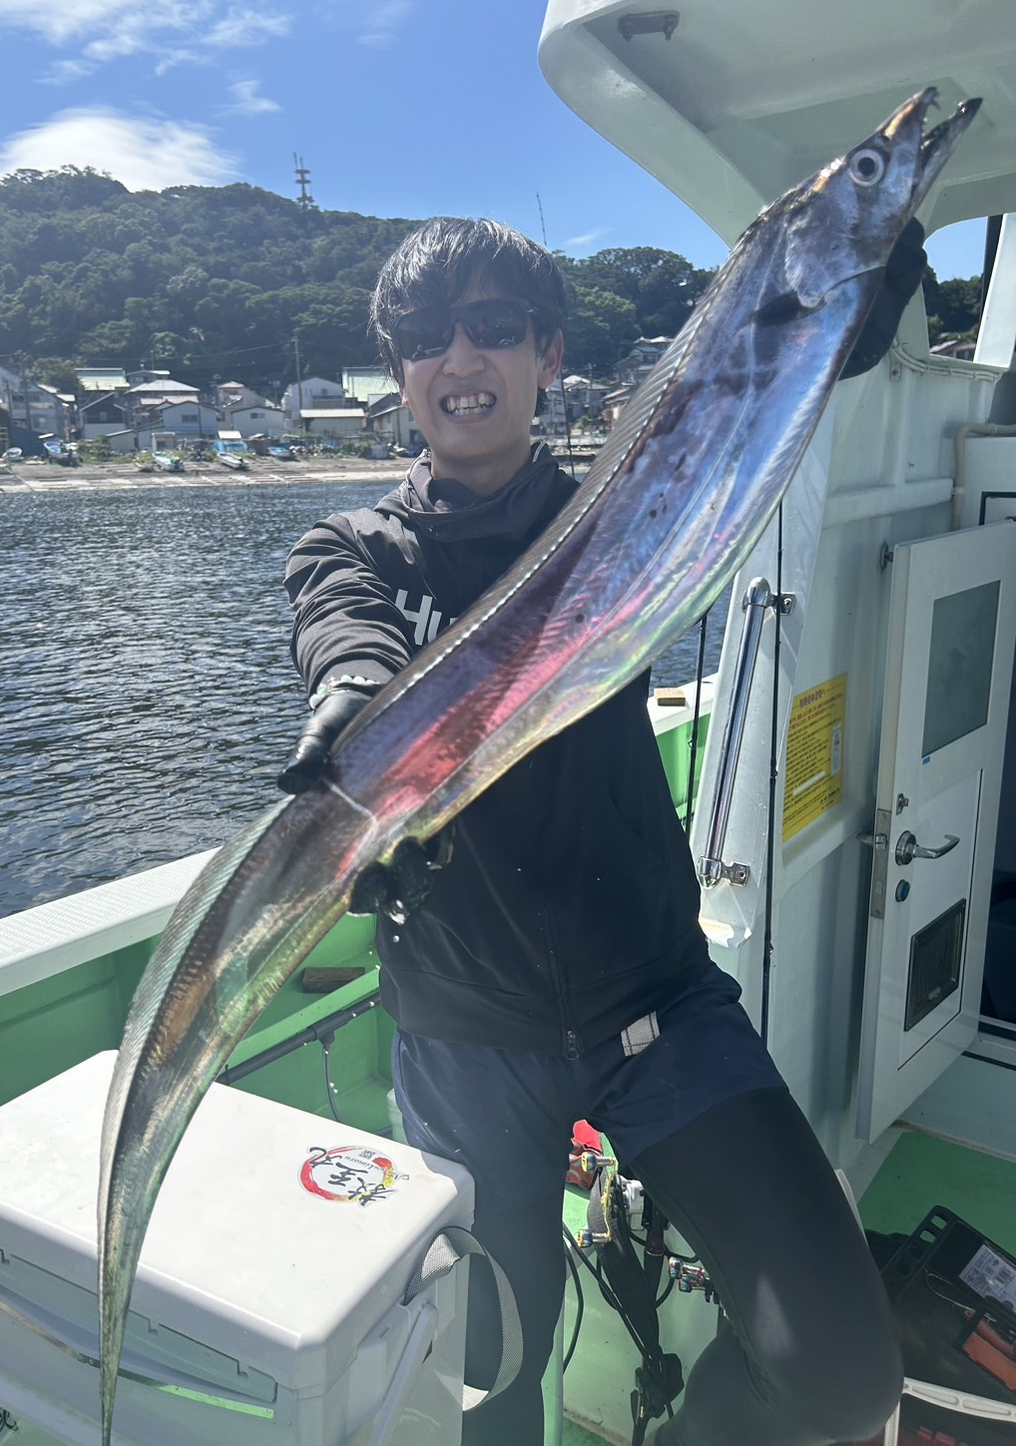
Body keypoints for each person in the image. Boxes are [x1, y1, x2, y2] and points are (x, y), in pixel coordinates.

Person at [279, 216, 916, 1445]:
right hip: (462, 1041)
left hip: (659, 1010)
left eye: (493, 326)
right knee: (493, 1392)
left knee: (842, 1376)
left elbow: (732, 441)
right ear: (398, 372)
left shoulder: (631, 515)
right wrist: (357, 705)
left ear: (549, 354)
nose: (460, 357)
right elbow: (342, 627)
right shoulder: (350, 548)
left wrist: (827, 341)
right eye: (425, 337)